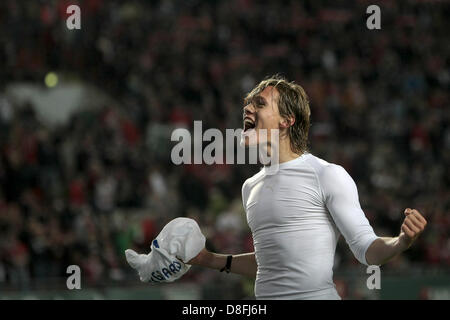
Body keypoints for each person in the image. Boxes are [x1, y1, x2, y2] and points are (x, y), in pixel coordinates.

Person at [185, 75, 427, 300]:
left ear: (287, 120)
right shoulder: (250, 186)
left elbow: (367, 249)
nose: (247, 109)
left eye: (259, 104)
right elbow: (272, 263)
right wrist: (209, 259)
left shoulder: (327, 174)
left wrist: (401, 241)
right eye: (248, 104)